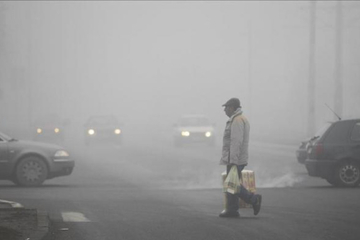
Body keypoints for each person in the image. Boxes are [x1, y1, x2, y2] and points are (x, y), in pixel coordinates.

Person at [219, 97, 262, 218]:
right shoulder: (238, 119)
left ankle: (254, 199)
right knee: (231, 185)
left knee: (232, 184)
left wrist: (233, 160)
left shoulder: (237, 120)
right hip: (234, 158)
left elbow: (236, 142)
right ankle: (232, 210)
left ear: (232, 108)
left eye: (226, 107)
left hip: (235, 159)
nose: (224, 110)